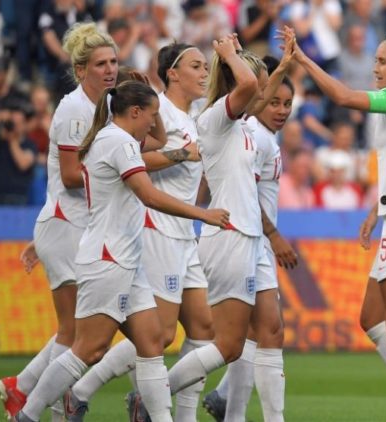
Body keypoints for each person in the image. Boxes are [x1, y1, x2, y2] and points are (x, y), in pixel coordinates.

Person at [12, 80, 230, 422]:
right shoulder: (117, 142)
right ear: (135, 112)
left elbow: (157, 139)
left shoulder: (120, 139)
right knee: (89, 349)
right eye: (151, 115)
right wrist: (204, 213)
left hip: (128, 259)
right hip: (107, 259)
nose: (155, 123)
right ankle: (27, 414)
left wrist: (149, 98)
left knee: (152, 344)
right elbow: (150, 195)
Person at [280, 25, 386, 421]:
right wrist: (377, 211)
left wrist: (302, 59)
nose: (375, 68)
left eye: (382, 61)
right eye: (374, 61)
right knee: (371, 319)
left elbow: (342, 96)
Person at [60, 43, 213, 422]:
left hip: (184, 232)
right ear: (172, 73)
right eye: (197, 66)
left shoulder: (190, 117)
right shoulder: (156, 112)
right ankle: (81, 391)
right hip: (156, 228)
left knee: (204, 327)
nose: (205, 73)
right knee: (156, 337)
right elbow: (132, 158)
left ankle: (173, 410)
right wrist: (181, 155)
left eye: (207, 66)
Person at [0, 22, 120, 421]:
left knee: (80, 332)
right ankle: (38, 407)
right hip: (68, 225)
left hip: (74, 226)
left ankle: (23, 389)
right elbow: (69, 175)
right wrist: (122, 175)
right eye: (100, 63)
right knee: (76, 333)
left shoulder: (107, 107)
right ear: (81, 70)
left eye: (114, 61)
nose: (110, 69)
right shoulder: (74, 109)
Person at [159, 34, 274, 405]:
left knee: (229, 344)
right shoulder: (214, 121)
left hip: (245, 236)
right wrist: (227, 54)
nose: (264, 93)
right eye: (257, 84)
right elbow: (250, 84)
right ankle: (151, 399)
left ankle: (154, 401)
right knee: (227, 345)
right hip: (229, 235)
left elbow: (256, 84)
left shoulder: (241, 127)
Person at [202, 54, 299, 422]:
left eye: (287, 103)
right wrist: (274, 235)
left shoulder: (259, 136)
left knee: (261, 333)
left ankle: (230, 406)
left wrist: (284, 66)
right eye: (274, 101)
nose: (281, 109)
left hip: (252, 239)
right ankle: (157, 392)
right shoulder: (253, 135)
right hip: (245, 238)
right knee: (253, 335)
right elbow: (248, 194)